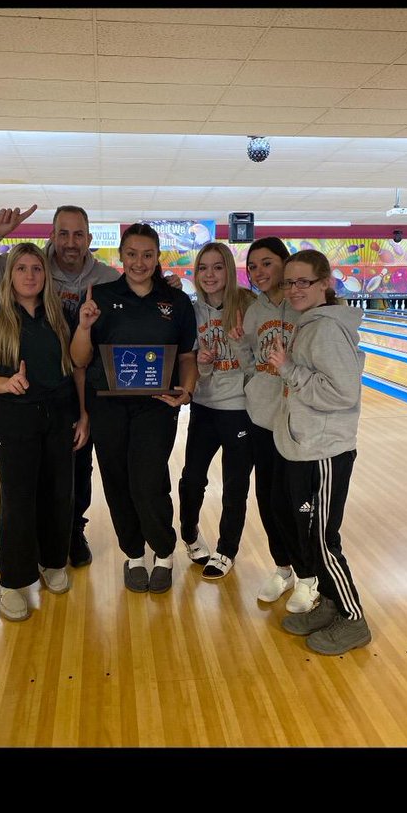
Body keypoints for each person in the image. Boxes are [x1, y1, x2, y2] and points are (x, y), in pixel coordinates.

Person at [0, 202, 182, 575]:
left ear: (89, 238)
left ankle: (71, 533)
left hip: (88, 385)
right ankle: (19, 543)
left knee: (76, 469)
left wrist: (167, 285)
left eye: (78, 234)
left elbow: (140, 285)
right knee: (26, 475)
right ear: (52, 236)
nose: (70, 241)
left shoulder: (108, 275)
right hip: (33, 393)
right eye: (63, 233)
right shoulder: (31, 266)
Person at [70, 223, 197, 593]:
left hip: (157, 405)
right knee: (116, 479)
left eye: (147, 254)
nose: (139, 262)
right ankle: (133, 553)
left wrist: (186, 391)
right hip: (107, 405)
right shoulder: (100, 296)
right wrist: (84, 326)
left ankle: (163, 550)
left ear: (157, 258)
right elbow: (80, 359)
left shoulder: (176, 301)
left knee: (147, 477)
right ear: (121, 256)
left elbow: (187, 356)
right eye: (132, 254)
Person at [0, 243, 77, 621]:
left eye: (37, 269)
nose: (30, 275)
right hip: (12, 420)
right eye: (22, 268)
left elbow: (77, 366)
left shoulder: (61, 315)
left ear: (45, 276)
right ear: (10, 274)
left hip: (59, 416)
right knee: (18, 500)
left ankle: (51, 562)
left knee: (59, 494)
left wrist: (83, 415)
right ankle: (12, 583)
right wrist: (6, 384)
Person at [268, 249, 372, 655]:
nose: (294, 289)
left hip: (325, 452)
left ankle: (353, 618)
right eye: (289, 282)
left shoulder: (326, 329)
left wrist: (288, 368)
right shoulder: (309, 323)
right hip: (306, 445)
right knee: (309, 537)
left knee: (325, 540)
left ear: (325, 282)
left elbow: (342, 393)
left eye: (303, 282)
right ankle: (328, 604)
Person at [228, 237, 318, 612]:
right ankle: (283, 569)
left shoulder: (306, 307)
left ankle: (309, 578)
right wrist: (251, 374)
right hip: (264, 418)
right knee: (269, 498)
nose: (259, 272)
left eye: (267, 263)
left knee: (299, 500)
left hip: (300, 422)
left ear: (286, 264)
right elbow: (249, 356)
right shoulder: (254, 312)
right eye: (252, 266)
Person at [178, 242, 256, 579]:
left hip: (240, 409)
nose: (210, 275)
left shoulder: (249, 306)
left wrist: (239, 344)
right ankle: (190, 532)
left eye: (217, 267)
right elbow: (191, 360)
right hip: (204, 407)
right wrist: (203, 363)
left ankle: (226, 549)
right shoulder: (193, 311)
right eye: (203, 268)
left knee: (235, 484)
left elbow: (259, 363)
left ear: (228, 269)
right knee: (191, 479)